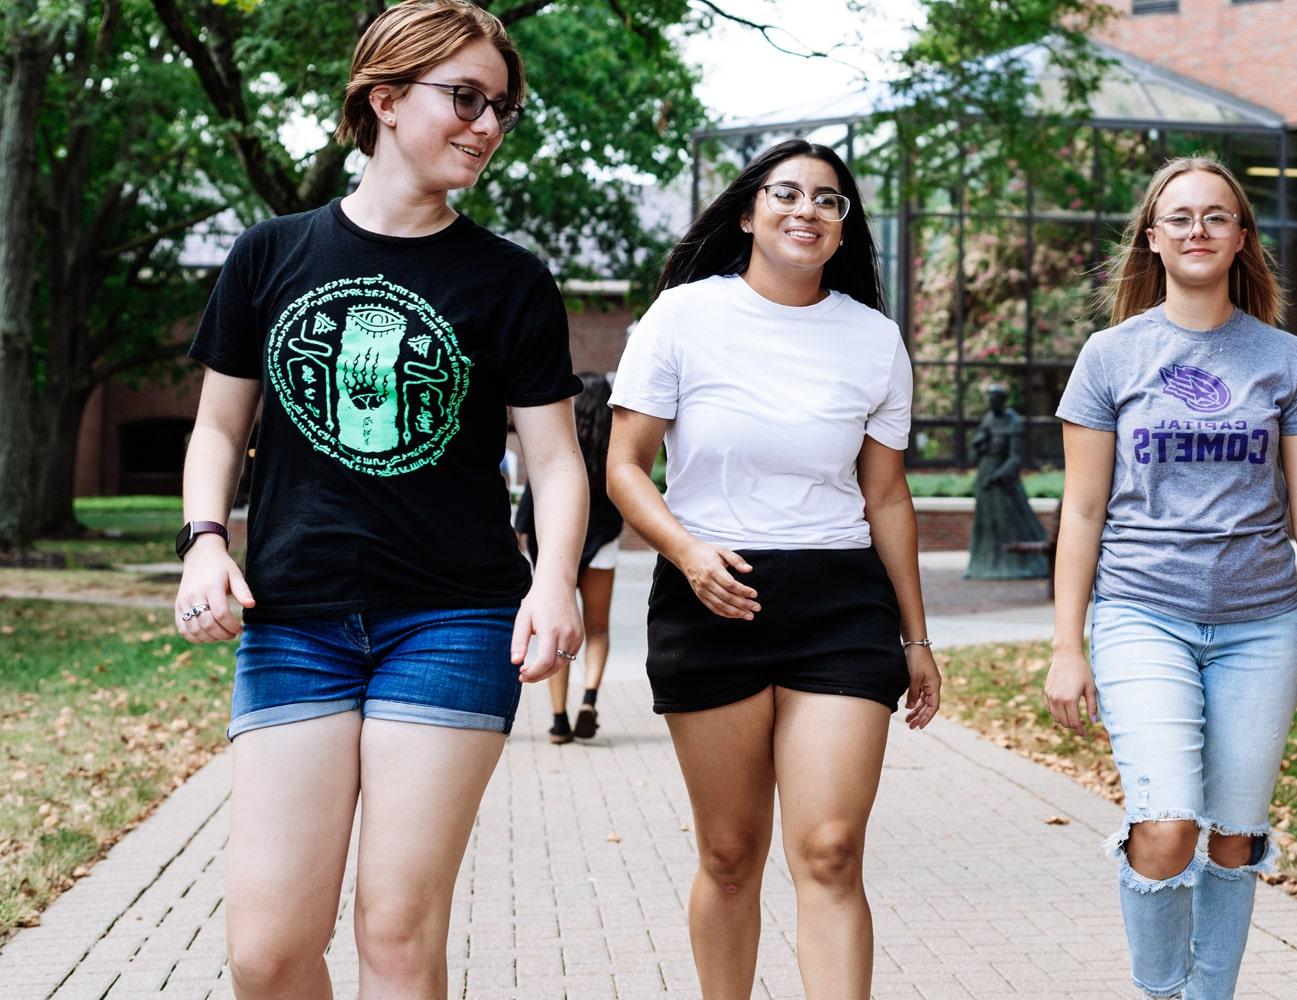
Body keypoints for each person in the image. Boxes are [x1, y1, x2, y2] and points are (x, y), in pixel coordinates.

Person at [172, 3, 586, 998]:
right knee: (269, 950)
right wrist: (203, 540)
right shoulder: (270, 255)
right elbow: (220, 427)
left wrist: (558, 578)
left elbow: (558, 460)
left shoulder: (511, 281)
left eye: (502, 108)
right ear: (385, 98)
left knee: (396, 937)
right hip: (292, 619)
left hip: (452, 618)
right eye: (466, 98)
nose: (487, 126)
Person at [604, 137, 942, 1000]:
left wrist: (917, 638)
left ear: (842, 228)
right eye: (786, 193)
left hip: (839, 602)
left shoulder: (874, 340)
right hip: (712, 593)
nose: (807, 210)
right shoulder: (682, 317)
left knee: (830, 850)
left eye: (828, 200)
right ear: (750, 212)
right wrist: (685, 551)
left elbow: (889, 497)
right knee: (728, 854)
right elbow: (625, 465)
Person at [1043, 156, 1297, 1000]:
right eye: (1179, 217)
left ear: (1240, 238)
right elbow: (1081, 513)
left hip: (1261, 625)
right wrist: (1064, 646)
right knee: (1166, 824)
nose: (1197, 231)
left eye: (1216, 217)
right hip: (1143, 614)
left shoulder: (1285, 358)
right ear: (1153, 237)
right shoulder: (1110, 357)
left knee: (1233, 834)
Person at [516, 371, 622, 743]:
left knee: (554, 629)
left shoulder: (561, 440)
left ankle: (559, 719)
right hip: (602, 538)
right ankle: (589, 699)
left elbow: (538, 489)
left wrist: (521, 532)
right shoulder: (612, 448)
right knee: (597, 628)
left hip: (554, 541)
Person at [965, 382, 1050, 579]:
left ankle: (1013, 564)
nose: (990, 403)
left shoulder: (1013, 422)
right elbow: (974, 453)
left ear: (1002, 401)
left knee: (1009, 524)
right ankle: (982, 564)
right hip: (985, 476)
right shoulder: (987, 420)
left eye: (994, 399)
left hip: (1002, 481)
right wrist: (978, 443)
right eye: (989, 399)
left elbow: (1016, 458)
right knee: (985, 524)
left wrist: (998, 477)